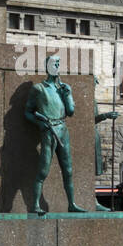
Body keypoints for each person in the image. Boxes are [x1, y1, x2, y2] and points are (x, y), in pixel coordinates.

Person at [24, 53, 84, 215]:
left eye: (58, 64)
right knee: (43, 170)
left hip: (63, 129)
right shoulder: (39, 89)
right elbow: (28, 112)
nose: (57, 67)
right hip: (49, 131)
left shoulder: (62, 89)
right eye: (54, 64)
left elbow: (71, 112)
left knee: (68, 169)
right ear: (47, 67)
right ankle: (35, 204)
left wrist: (68, 94)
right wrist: (40, 123)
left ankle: (71, 203)